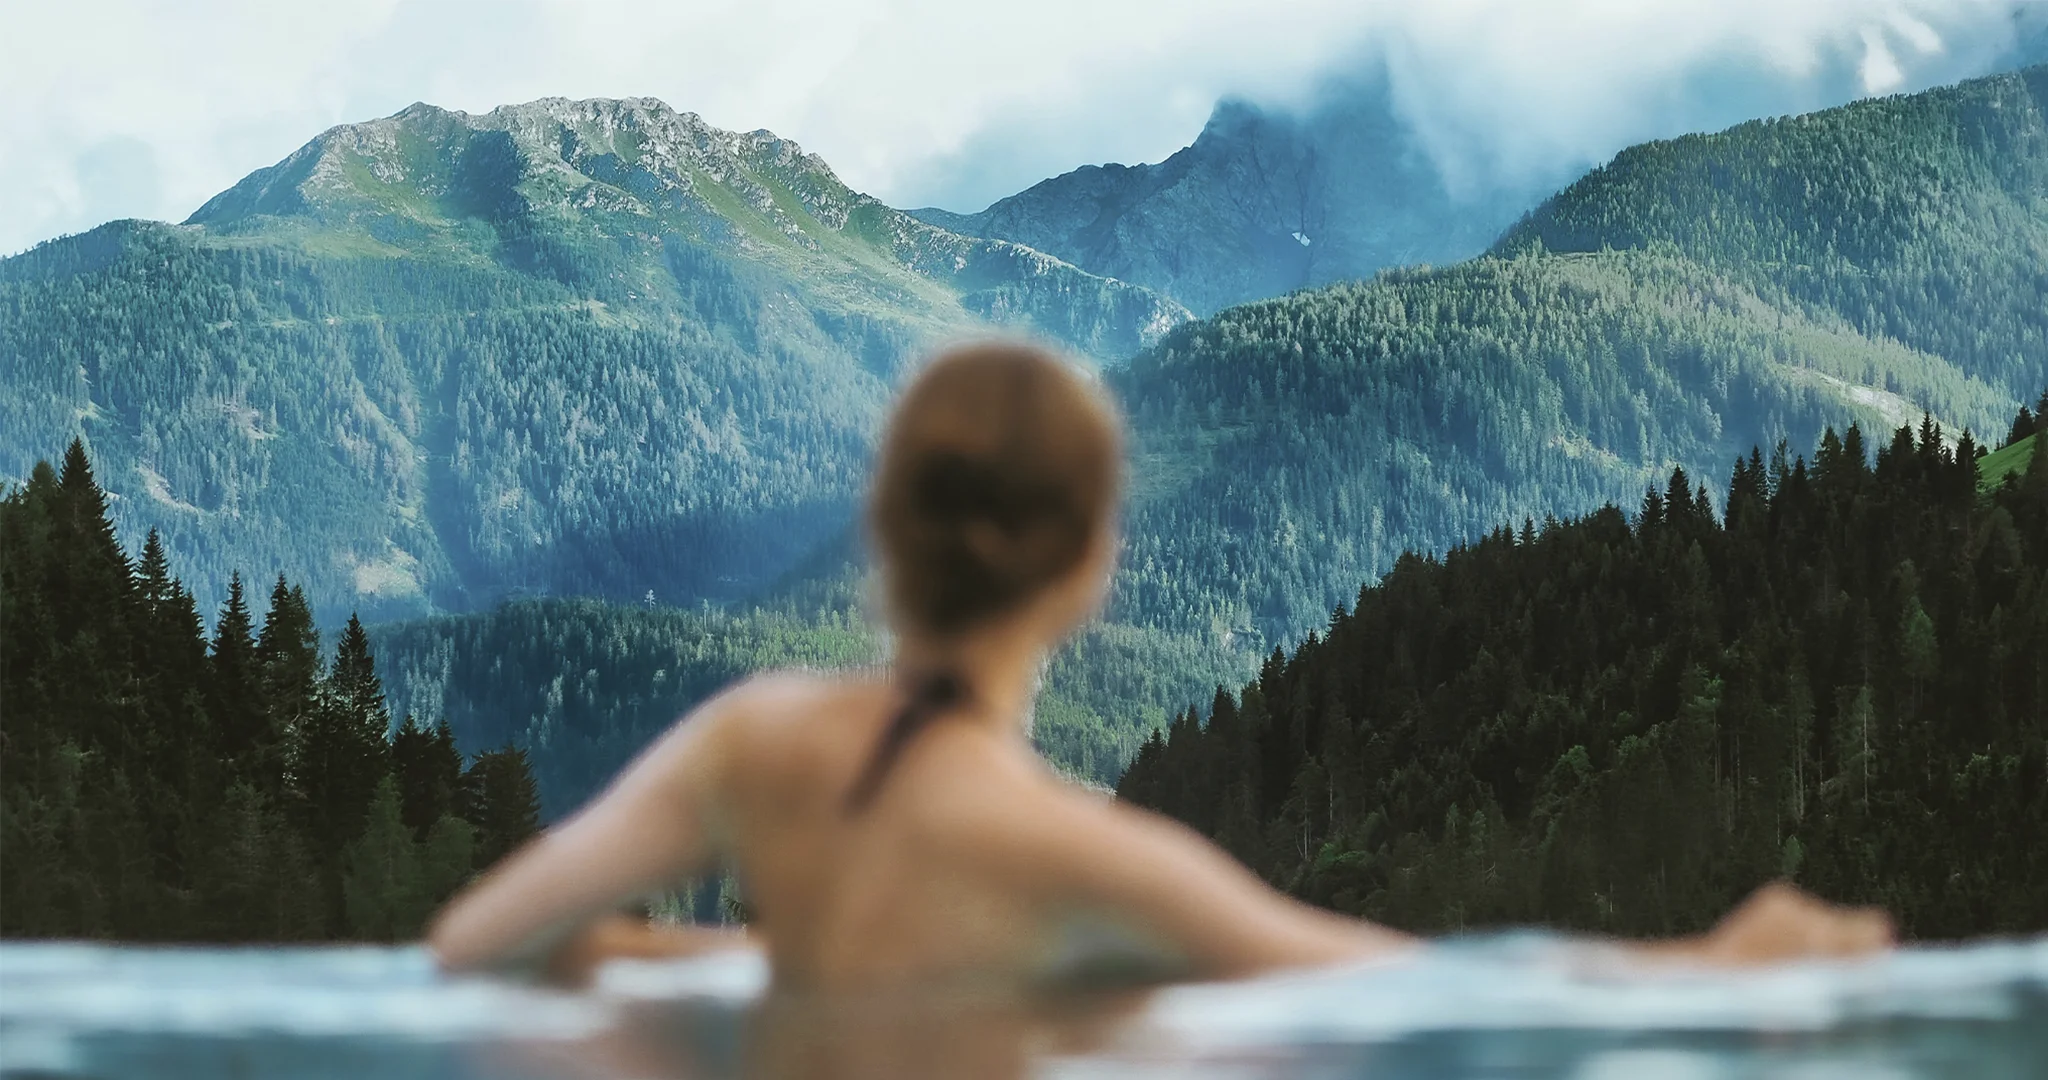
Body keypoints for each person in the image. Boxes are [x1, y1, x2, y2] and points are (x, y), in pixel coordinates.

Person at [427, 341, 1893, 992]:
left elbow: (478, 946)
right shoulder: (1082, 854)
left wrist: (757, 961)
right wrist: (1713, 969)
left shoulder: (748, 742)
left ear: (882, 532)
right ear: (1088, 568)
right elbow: (1409, 990)